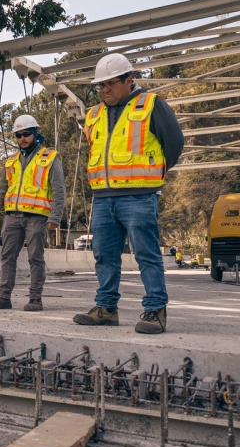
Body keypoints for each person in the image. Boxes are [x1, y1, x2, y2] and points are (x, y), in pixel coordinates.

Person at [73, 54, 184, 334]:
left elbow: (174, 143)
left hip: (139, 196)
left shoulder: (151, 104)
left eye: (111, 83)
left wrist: (152, 173)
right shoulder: (94, 114)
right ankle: (106, 309)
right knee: (104, 256)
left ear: (129, 80)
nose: (105, 89)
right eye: (101, 85)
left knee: (146, 255)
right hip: (103, 196)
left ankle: (155, 310)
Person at [0, 115, 65, 312]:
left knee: (35, 258)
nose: (22, 139)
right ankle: (3, 297)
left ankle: (35, 299)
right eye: (18, 135)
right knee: (7, 257)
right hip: (12, 216)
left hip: (36, 216)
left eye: (26, 134)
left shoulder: (49, 157)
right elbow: (2, 189)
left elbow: (59, 188)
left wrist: (55, 216)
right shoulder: (11, 161)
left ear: (35, 133)